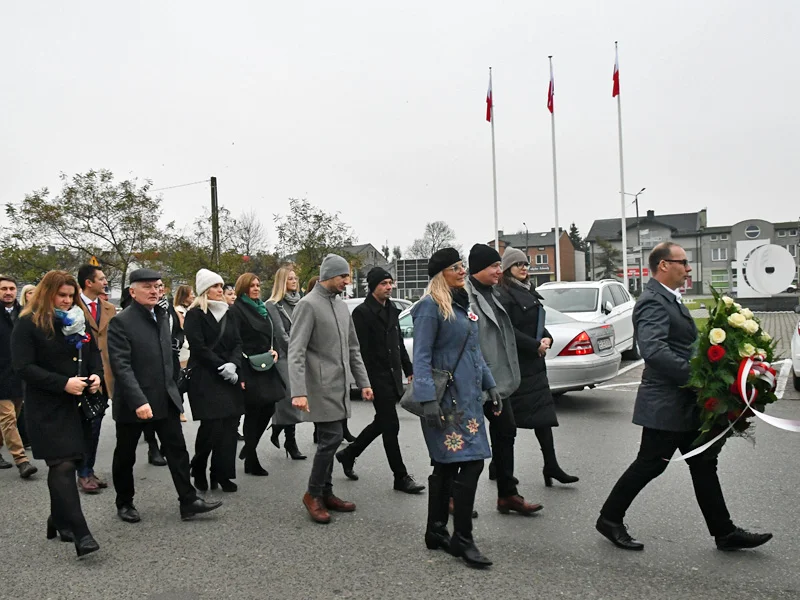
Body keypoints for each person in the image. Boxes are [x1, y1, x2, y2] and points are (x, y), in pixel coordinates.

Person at [596, 242, 773, 552]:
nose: (688, 268)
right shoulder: (652, 301)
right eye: (683, 262)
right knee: (650, 464)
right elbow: (654, 351)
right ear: (664, 265)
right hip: (665, 403)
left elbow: (683, 347)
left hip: (683, 402)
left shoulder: (669, 299)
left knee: (704, 462)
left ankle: (725, 532)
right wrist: (699, 380)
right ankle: (609, 519)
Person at [108, 268, 222, 523]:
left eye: (158, 286)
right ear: (132, 291)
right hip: (133, 402)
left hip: (164, 397)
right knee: (125, 455)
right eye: (147, 286)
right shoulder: (122, 321)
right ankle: (124, 502)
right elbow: (121, 366)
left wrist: (175, 390)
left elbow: (168, 356)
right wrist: (139, 401)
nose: (154, 291)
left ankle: (188, 500)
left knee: (177, 450)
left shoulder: (162, 315)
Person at [409, 249, 499, 568]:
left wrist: (491, 386)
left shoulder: (463, 306)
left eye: (462, 266)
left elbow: (475, 351)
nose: (462, 271)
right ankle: (462, 536)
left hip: (469, 398)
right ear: (440, 275)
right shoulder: (429, 308)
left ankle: (436, 531)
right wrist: (427, 399)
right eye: (455, 267)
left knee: (448, 466)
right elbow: (420, 357)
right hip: (445, 403)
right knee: (470, 463)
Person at [11, 270, 100, 556]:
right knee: (61, 465)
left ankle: (58, 519)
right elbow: (23, 367)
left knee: (69, 464)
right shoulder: (28, 323)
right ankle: (81, 533)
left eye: (70, 296)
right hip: (46, 407)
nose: (66, 301)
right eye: (60, 295)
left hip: (77, 406)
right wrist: (62, 383)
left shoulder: (79, 319)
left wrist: (95, 376)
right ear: (46, 294)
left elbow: (92, 353)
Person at [289, 254, 373, 524]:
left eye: (348, 277)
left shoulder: (340, 306)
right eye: (343, 277)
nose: (347, 282)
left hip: (339, 385)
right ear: (328, 276)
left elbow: (353, 348)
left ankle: (326, 492)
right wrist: (298, 391)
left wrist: (364, 382)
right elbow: (296, 350)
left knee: (332, 438)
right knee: (331, 438)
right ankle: (313, 494)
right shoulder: (307, 305)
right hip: (318, 385)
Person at [464, 244, 543, 516]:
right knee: (468, 441)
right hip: (475, 381)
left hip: (498, 380)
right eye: (494, 267)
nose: (500, 271)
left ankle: (507, 494)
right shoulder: (467, 297)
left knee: (506, 429)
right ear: (478, 269)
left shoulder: (493, 293)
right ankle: (454, 496)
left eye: (500, 266)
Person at [335, 267, 424, 494]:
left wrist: (408, 368)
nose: (389, 287)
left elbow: (398, 344)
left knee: (382, 423)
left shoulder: (392, 309)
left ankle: (349, 453)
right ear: (374, 286)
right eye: (384, 283)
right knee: (391, 425)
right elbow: (358, 350)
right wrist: (364, 382)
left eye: (390, 282)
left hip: (393, 375)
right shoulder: (362, 313)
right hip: (375, 377)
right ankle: (400, 477)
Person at [495, 247, 577, 487]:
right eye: (518, 264)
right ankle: (499, 467)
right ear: (508, 268)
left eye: (525, 264)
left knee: (543, 417)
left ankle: (551, 465)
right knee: (507, 423)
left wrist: (547, 338)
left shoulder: (529, 291)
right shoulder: (504, 295)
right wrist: (534, 345)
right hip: (518, 365)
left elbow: (538, 323)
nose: (523, 268)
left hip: (535, 365)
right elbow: (509, 330)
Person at [184, 269, 244, 493]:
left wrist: (234, 364)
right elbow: (198, 347)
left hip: (230, 376)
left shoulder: (230, 313)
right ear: (204, 290)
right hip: (205, 377)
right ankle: (198, 467)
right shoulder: (195, 314)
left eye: (222, 287)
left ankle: (222, 473)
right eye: (216, 287)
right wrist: (221, 366)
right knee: (211, 427)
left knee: (229, 427)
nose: (221, 290)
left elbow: (238, 343)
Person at [230, 273, 284, 476]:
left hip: (266, 363)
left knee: (269, 406)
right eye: (251, 285)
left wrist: (275, 349)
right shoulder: (236, 310)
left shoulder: (262, 307)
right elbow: (235, 341)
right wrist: (240, 372)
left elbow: (271, 333)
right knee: (253, 411)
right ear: (243, 288)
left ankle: (249, 446)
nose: (256, 288)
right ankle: (251, 459)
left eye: (258, 285)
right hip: (248, 365)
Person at [75, 264, 117, 493]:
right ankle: (81, 472)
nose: (105, 282)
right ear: (88, 282)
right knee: (83, 427)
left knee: (95, 424)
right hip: (79, 375)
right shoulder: (72, 305)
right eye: (101, 278)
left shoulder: (109, 308)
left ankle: (88, 470)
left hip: (104, 375)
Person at [266, 266, 306, 459]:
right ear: (282, 281)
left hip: (299, 355)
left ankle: (277, 428)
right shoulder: (273, 305)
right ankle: (290, 441)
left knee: (294, 402)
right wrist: (300, 347)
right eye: (290, 278)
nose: (294, 281)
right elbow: (281, 335)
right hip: (283, 356)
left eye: (296, 278)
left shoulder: (301, 302)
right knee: (289, 401)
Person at [0, 274, 37, 477]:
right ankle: (21, 460)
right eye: (3, 289)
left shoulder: (24, 314)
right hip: (0, 375)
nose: (8, 292)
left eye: (11, 288)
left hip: (20, 375)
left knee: (10, 416)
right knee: (8, 418)